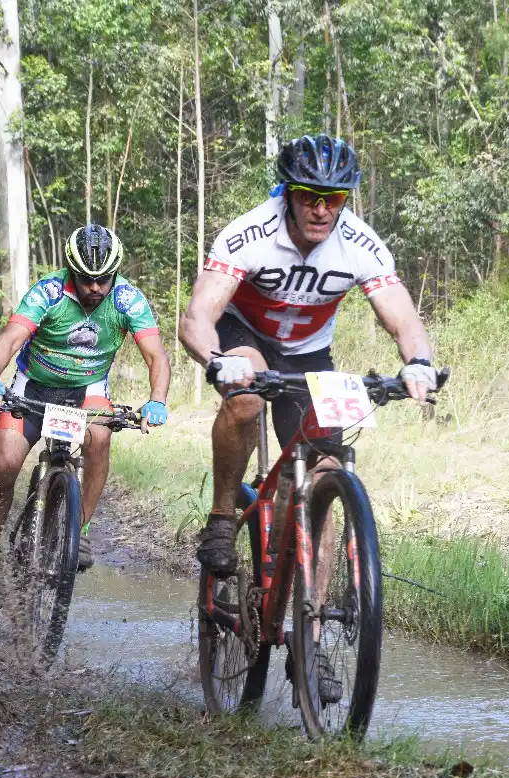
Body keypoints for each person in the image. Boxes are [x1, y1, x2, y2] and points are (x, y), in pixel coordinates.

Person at [180, 134, 440, 576]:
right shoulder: (250, 234)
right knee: (245, 398)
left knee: (321, 476)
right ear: (289, 194)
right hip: (244, 333)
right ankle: (222, 519)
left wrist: (418, 362)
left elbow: (403, 319)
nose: (321, 210)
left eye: (334, 198)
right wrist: (217, 359)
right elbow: (197, 318)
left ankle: (309, 633)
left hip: (308, 354)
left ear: (344, 199)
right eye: (309, 197)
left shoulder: (361, 243)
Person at [0, 224, 171, 609]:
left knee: (100, 435)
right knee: (4, 461)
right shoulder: (48, 292)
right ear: (70, 270)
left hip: (88, 389)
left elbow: (156, 355)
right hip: (34, 385)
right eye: (86, 278)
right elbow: (12, 336)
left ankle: (78, 531)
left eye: (103, 279)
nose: (95, 287)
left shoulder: (128, 299)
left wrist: (157, 399)